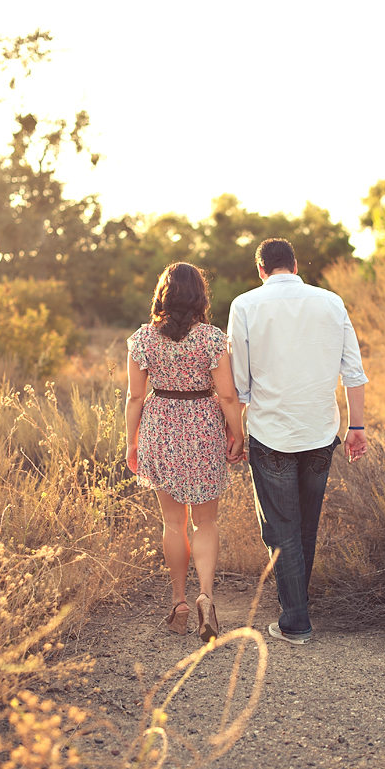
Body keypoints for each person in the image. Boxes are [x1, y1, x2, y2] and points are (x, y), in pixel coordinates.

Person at [227, 238, 368, 645]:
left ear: (261, 270)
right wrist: (356, 429)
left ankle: (296, 620)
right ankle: (296, 609)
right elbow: (353, 371)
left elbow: (238, 382)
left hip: (271, 432)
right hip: (321, 433)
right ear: (293, 265)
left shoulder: (245, 305)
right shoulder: (331, 301)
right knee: (305, 526)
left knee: (281, 528)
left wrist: (235, 432)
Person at [125, 262, 245, 642]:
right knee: (205, 522)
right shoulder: (211, 339)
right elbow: (227, 395)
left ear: (163, 294)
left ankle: (178, 601)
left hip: (160, 426)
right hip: (203, 427)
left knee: (172, 523)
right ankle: (205, 597)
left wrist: (131, 442)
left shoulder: (143, 340)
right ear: (199, 295)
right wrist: (236, 432)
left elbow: (134, 397)